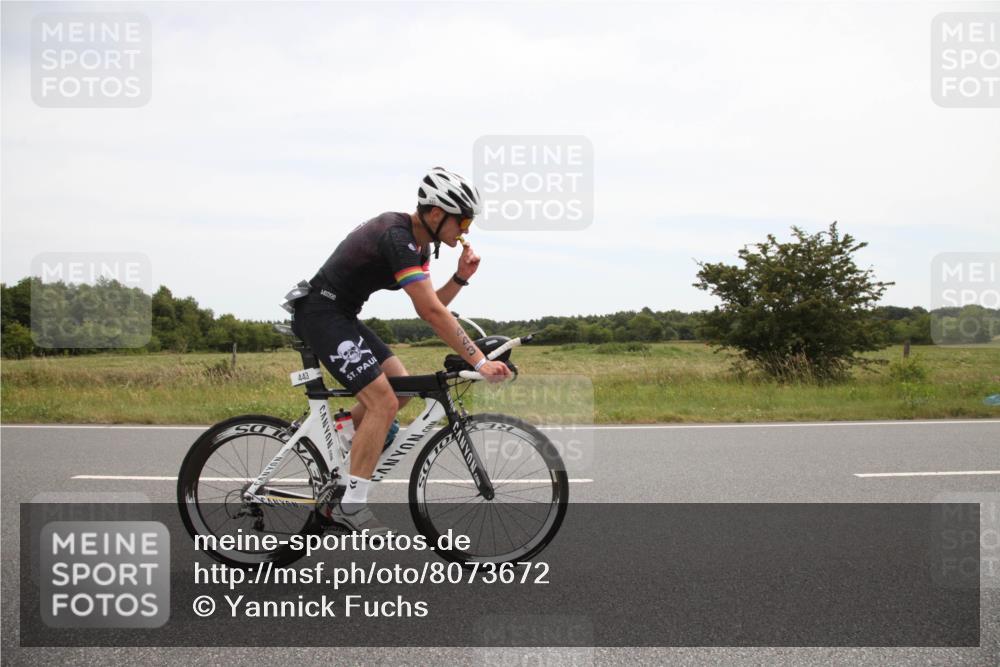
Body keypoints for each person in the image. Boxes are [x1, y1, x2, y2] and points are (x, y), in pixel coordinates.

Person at [291, 167, 511, 535]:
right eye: (464, 220)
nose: (466, 230)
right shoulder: (397, 236)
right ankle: (351, 505)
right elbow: (431, 312)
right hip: (320, 313)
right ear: (437, 214)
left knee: (401, 387)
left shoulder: (420, 245)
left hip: (341, 314)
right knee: (384, 402)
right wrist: (480, 360)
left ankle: (346, 435)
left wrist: (459, 279)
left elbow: (430, 307)